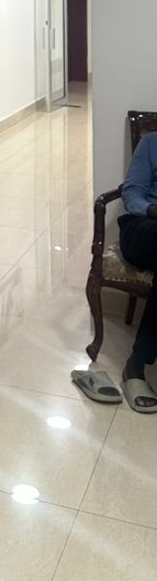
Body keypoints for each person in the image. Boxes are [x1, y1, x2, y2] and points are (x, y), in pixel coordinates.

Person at [120, 132, 157, 412]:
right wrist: (153, 209)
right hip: (143, 226)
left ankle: (136, 362)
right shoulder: (151, 143)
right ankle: (136, 363)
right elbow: (132, 193)